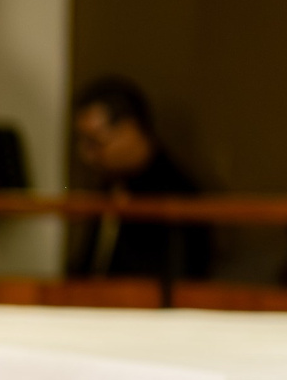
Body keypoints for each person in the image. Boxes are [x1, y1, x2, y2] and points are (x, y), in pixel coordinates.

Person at [69, 75, 214, 281]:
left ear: (129, 130)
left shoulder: (174, 193)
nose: (86, 155)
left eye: (95, 142)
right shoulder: (111, 186)